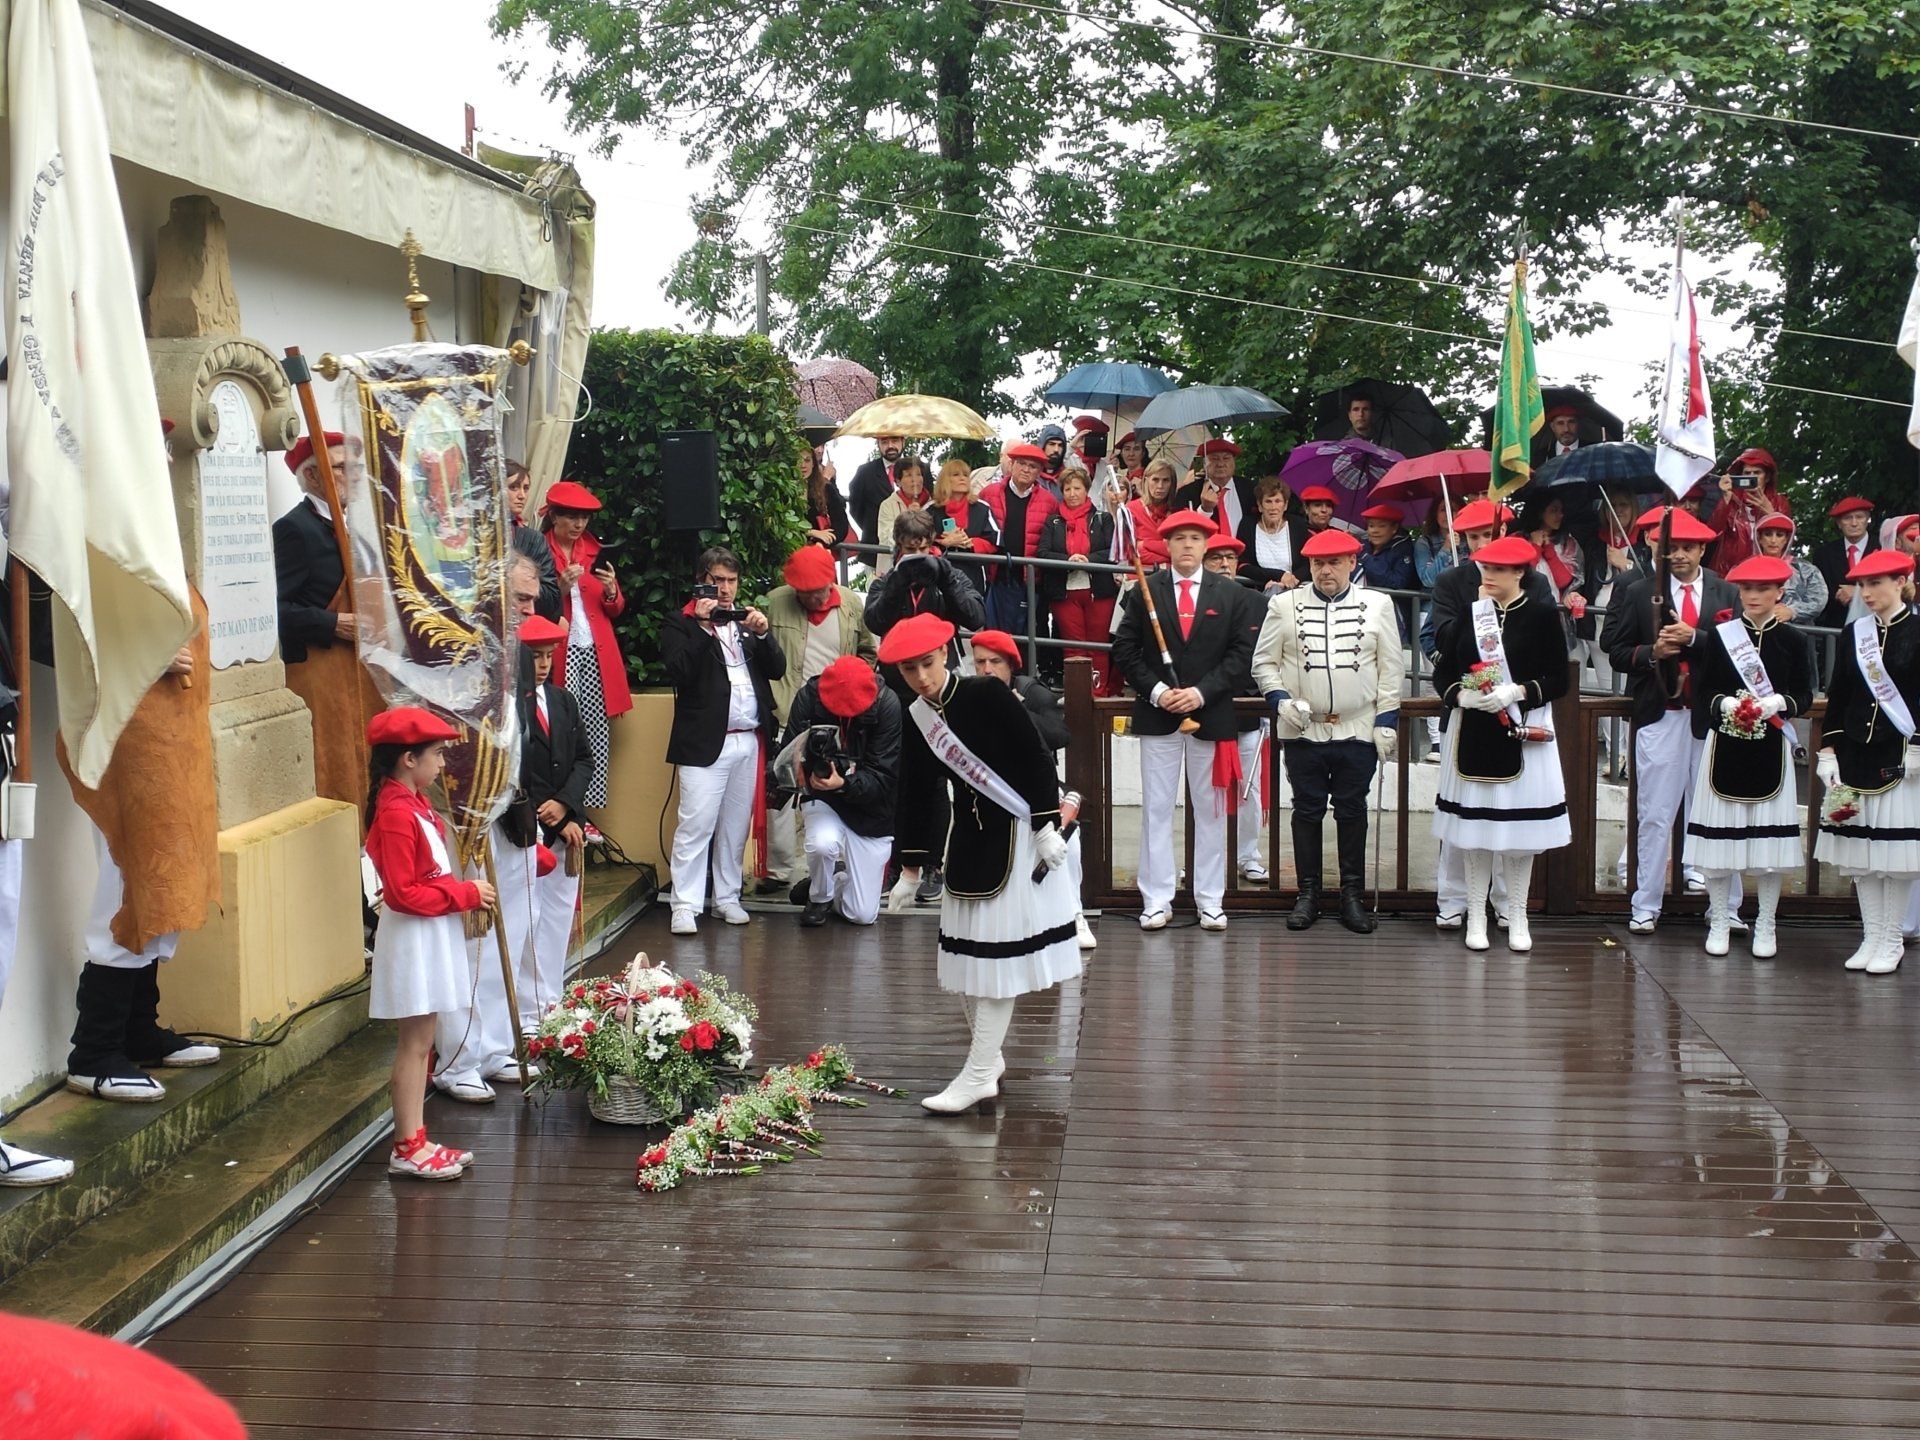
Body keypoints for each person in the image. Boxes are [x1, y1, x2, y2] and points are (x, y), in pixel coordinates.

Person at [880, 613, 1078, 1114]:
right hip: (967, 841)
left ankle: (979, 1072)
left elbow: (1035, 755)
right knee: (967, 960)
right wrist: (910, 868)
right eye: (908, 670)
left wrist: (1045, 826)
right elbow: (917, 792)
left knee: (996, 963)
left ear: (947, 654)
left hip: (1017, 836)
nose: (921, 677)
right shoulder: (917, 714)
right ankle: (988, 1061)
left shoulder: (986, 693)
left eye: (927, 663)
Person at [63, 608, 221, 1104]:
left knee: (163, 888)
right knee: (128, 891)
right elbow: (61, 640)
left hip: (171, 743)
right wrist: (145, 655)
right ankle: (94, 1053)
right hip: (127, 746)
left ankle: (138, 1032)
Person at [363, 707, 497, 1179]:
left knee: (423, 1046)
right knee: (416, 1045)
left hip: (428, 931)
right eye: (436, 754)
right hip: (413, 937)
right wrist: (465, 894)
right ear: (408, 759)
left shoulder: (413, 802)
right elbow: (402, 892)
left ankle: (415, 1140)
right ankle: (407, 1147)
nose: (442, 763)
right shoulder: (397, 811)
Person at [1110, 509, 1258, 932]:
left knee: (1210, 812)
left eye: (1195, 538)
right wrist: (1158, 692)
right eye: (1179, 538)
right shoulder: (1145, 589)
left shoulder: (1230, 594)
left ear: (1206, 545)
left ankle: (1210, 899)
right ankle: (1156, 899)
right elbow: (1124, 649)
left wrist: (1200, 692)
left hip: (1210, 714)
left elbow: (1241, 655)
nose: (1187, 545)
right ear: (1168, 545)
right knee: (1156, 809)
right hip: (1159, 714)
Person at [1252, 528, 1404, 932]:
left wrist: (1386, 720)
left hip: (1358, 728)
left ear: (1352, 562)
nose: (1325, 571)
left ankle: (1352, 896)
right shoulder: (1283, 605)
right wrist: (1281, 700)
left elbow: (1391, 669)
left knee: (1353, 809)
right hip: (1303, 728)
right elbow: (1263, 663)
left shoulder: (1379, 604)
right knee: (1306, 809)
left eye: (1334, 562)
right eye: (1318, 563)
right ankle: (1308, 894)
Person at [1431, 533, 1573, 953]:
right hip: (1474, 731)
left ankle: (1517, 913)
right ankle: (1476, 914)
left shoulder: (1543, 615)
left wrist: (1519, 691)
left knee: (1519, 834)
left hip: (1523, 729)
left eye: (1497, 569)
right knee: (1474, 831)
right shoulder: (1471, 614)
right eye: (1485, 568)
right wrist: (1461, 695)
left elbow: (1559, 679)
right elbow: (1444, 670)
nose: (1488, 575)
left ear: (1519, 573)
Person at [1602, 505, 1736, 934]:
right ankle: (1645, 903)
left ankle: (1726, 907)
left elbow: (1740, 653)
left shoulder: (1727, 592)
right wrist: (1653, 652)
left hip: (1712, 716)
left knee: (1718, 813)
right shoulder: (1640, 591)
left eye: (1687, 547)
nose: (1678, 554)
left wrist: (1696, 638)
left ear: (1702, 549)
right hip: (1661, 714)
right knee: (1655, 812)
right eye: (1671, 547)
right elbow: (1616, 650)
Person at [1679, 556, 1814, 959]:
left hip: (1771, 748)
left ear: (1779, 592)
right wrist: (1726, 705)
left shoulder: (1794, 640)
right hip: (1725, 746)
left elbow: (1804, 695)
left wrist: (1779, 702)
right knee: (1720, 844)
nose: (1753, 596)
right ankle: (1720, 919)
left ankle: (1767, 924)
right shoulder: (1721, 638)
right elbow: (1704, 691)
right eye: (1746, 589)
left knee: (1769, 848)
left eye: (1762, 589)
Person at [865, 508, 988, 905]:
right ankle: (899, 863)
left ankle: (933, 863)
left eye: (922, 548)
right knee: (897, 776)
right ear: (897, 547)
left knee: (935, 779)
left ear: (933, 544)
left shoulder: (948, 576)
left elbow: (975, 616)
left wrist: (945, 576)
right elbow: (875, 621)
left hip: (938, 689)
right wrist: (899, 582)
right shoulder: (886, 580)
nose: (917, 556)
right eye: (909, 549)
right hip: (896, 689)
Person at [661, 547, 784, 936]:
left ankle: (727, 897)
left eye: (731, 581)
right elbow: (679, 671)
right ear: (702, 582)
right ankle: (685, 904)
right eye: (717, 581)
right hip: (704, 742)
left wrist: (764, 634)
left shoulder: (745, 622)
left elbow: (777, 669)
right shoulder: (680, 623)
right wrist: (702, 628)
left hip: (747, 739)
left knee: (735, 827)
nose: (726, 589)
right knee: (695, 825)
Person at [1816, 548, 1920, 975]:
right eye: (1862, 584)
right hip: (1857, 753)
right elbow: (1839, 695)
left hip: (1902, 754)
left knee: (1894, 859)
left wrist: (1919, 745)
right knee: (1863, 855)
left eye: (1876, 583)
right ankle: (1871, 935)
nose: (1867, 592)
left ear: (1901, 582)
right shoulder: (1854, 634)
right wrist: (1828, 750)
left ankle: (1892, 939)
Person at [759, 544, 878, 890]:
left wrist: (855, 682)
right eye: (804, 592)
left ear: (831, 583)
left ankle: (831, 862)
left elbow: (868, 650)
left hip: (838, 708)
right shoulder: (775, 602)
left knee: (835, 781)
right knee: (782, 783)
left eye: (818, 591)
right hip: (788, 705)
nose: (812, 598)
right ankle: (778, 870)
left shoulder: (851, 604)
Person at [969, 628, 1095, 949]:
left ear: (1011, 665)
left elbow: (1061, 734)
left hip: (1038, 787)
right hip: (990, 792)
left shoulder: (1031, 692)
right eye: (980, 662)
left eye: (995, 662)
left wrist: (1017, 711)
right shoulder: (969, 694)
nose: (986, 669)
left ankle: (1074, 914)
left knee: (1069, 838)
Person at [272, 429, 375, 812]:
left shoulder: (354, 528)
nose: (354, 475)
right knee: (337, 775)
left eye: (356, 467)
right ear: (313, 476)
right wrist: (333, 624)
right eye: (341, 467)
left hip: (360, 677)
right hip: (322, 679)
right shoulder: (294, 529)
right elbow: (275, 610)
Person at [780, 655, 900, 927]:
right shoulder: (809, 696)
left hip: (871, 808)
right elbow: (788, 751)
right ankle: (819, 895)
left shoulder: (887, 704)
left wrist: (844, 783)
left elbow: (884, 776)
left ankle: (831, 880)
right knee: (822, 844)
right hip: (824, 795)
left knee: (862, 915)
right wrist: (796, 769)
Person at [516, 616, 592, 1030]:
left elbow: (582, 759)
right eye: (535, 657)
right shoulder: (512, 706)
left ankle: (550, 999)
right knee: (530, 920)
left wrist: (566, 805)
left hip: (565, 824)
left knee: (558, 918)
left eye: (548, 656)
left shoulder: (563, 700)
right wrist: (549, 810)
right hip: (529, 826)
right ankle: (528, 1008)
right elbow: (519, 767)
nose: (544, 665)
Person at [543, 479, 629, 809]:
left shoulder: (595, 550)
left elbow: (615, 610)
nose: (579, 524)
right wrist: (560, 589)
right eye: (572, 516)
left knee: (595, 728)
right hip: (558, 650)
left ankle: (585, 808)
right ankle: (560, 803)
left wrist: (612, 591)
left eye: (584, 517)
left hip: (594, 649)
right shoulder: (540, 550)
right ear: (554, 516)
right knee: (560, 727)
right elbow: (534, 606)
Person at [1204, 534, 1275, 884]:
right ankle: (1205, 857)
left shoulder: (1257, 602)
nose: (1224, 564)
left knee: (1250, 788)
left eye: (1230, 557)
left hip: (1246, 708)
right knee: (1206, 791)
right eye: (1215, 557)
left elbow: (1269, 653)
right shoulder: (1192, 601)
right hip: (1204, 710)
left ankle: (1248, 855)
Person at [1037, 466, 1119, 694]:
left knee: (1098, 646)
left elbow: (1112, 551)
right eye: (1067, 489)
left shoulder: (1102, 519)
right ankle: (1077, 697)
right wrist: (1069, 560)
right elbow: (1042, 553)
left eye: (1077, 488)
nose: (1072, 494)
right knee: (1073, 647)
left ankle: (1098, 694)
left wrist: (1087, 560)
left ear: (1086, 490)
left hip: (1099, 592)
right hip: (1064, 592)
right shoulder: (1053, 522)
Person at [976, 442, 1061, 647]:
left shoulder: (1049, 501)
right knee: (994, 636)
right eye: (1021, 463)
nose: (1026, 470)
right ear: (1011, 465)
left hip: (1031, 579)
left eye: (1032, 466)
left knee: (1027, 637)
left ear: (1039, 472)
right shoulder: (989, 493)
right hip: (996, 576)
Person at [1706, 447, 1793, 575]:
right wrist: (1724, 501)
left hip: (1766, 572)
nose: (1751, 477)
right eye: (1747, 473)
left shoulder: (1779, 502)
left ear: (1767, 477)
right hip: (1729, 571)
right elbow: (1712, 533)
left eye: (1757, 473)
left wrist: (1771, 514)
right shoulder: (1731, 500)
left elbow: (1786, 540)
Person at [505, 461, 562, 620]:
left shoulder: (534, 539)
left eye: (526, 488)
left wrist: (522, 583)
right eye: (513, 487)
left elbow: (551, 598)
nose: (522, 496)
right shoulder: (470, 534)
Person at [1811, 496, 1877, 630]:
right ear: (1839, 523)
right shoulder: (1824, 554)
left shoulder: (1882, 548)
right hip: (1836, 630)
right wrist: (1839, 596)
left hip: (1877, 626)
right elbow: (1820, 594)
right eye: (1847, 518)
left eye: (1859, 517)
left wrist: (1857, 593)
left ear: (1867, 519)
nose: (1854, 523)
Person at [1237, 475, 1306, 593]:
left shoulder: (1298, 525)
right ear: (1260, 505)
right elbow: (1243, 566)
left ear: (1285, 505)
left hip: (1294, 591)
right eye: (1268, 501)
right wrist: (1279, 575)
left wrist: (1289, 581)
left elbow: (1307, 564)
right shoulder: (1247, 525)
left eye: (1278, 501)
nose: (1273, 507)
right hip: (1259, 592)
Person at [1754, 515, 1828, 623]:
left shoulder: (1806, 570)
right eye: (1768, 534)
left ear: (1786, 539)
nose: (1773, 540)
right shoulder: (1746, 568)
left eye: (1779, 535)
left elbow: (1818, 600)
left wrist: (1792, 612)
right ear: (1759, 538)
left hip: (1799, 630)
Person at [1174, 438, 1252, 534]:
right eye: (1214, 459)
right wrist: (1205, 510)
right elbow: (1180, 530)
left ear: (1234, 462)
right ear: (1204, 463)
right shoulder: (1187, 493)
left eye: (1226, 458)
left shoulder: (1249, 489)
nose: (1221, 464)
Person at [874, 455, 934, 574]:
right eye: (909, 475)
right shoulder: (887, 505)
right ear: (898, 481)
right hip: (893, 569)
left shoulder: (933, 505)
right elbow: (885, 538)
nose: (915, 479)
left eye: (918, 474)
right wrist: (906, 519)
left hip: (926, 568)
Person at [848, 434, 909, 551]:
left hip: (914, 545)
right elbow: (855, 507)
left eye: (895, 441)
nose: (890, 446)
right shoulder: (865, 472)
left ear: (903, 442)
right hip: (874, 545)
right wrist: (872, 527)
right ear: (878, 444)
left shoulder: (918, 469)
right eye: (884, 442)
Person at [932, 457, 998, 561]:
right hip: (940, 567)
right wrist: (943, 543)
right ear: (944, 480)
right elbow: (918, 543)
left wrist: (970, 542)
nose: (962, 478)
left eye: (966, 475)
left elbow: (996, 540)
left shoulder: (982, 508)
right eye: (956, 475)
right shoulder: (931, 510)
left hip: (973, 567)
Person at [1119, 459, 1177, 559]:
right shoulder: (1131, 509)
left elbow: (1179, 551)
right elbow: (1129, 552)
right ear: (1146, 481)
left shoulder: (1178, 512)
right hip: (1140, 569)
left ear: (1172, 483)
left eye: (1166, 480)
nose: (1160, 486)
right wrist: (1166, 559)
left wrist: (1145, 544)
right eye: (1155, 480)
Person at [1357, 502, 1418, 593]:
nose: (1374, 531)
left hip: (1393, 600)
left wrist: (1365, 558)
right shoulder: (1363, 545)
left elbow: (1397, 582)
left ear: (1394, 528)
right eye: (1371, 526)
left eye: (1382, 526)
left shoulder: (1403, 549)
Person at [802, 443, 852, 552]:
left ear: (813, 463)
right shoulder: (782, 489)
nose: (803, 465)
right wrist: (812, 532)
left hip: (818, 550)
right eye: (798, 461)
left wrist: (821, 543)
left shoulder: (825, 488)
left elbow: (841, 525)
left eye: (807, 460)